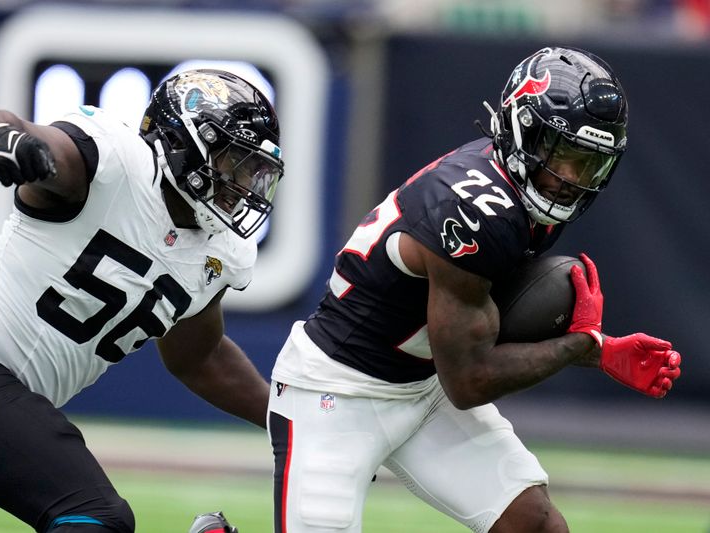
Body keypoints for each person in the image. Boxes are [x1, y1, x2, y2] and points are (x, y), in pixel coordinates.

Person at [267, 46, 682, 533]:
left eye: (589, 163)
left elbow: (471, 338)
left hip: (424, 387)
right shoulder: (474, 209)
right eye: (563, 154)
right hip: (336, 392)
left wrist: (600, 350)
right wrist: (580, 345)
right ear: (522, 129)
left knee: (537, 526)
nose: (571, 179)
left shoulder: (526, 187)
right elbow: (470, 382)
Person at [0, 68, 284, 532]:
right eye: (233, 162)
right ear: (186, 141)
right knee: (94, 516)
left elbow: (199, 358)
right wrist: (5, 139)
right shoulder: (114, 160)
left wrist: (284, 423)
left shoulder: (220, 251)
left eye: (252, 169)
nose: (242, 183)